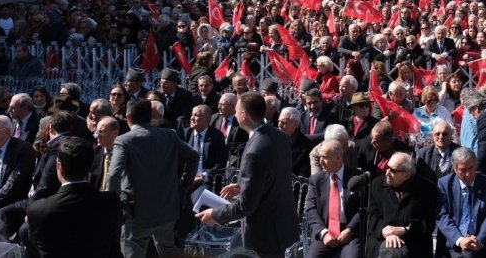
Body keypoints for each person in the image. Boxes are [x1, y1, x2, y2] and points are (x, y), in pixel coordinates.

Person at [196, 92, 299, 258]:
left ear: (243, 115)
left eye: (236, 110)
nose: (234, 113)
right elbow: (272, 177)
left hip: (265, 233)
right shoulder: (279, 136)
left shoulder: (255, 150)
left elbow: (245, 206)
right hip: (282, 224)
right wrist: (243, 187)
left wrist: (214, 215)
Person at [108, 99, 199, 258]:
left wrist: (116, 204)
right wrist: (183, 187)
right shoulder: (169, 136)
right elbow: (193, 157)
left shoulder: (124, 140)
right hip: (167, 210)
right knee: (169, 251)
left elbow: (114, 174)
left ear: (128, 118)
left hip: (137, 213)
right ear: (150, 117)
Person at [24, 137, 122, 258]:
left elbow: (34, 245)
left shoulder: (38, 210)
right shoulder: (111, 202)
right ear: (91, 165)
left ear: (59, 166)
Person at [365, 151, 437, 258]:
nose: (387, 173)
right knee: (390, 252)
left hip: (414, 241)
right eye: (387, 167)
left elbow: (429, 222)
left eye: (392, 171)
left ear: (406, 175)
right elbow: (373, 216)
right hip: (381, 239)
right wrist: (386, 231)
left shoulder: (426, 189)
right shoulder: (377, 185)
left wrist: (406, 230)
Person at [435, 147, 486, 257]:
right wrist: (460, 240)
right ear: (455, 169)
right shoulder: (444, 185)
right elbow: (442, 215)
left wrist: (480, 240)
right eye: (463, 170)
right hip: (453, 241)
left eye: (471, 168)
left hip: (478, 240)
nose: (468, 174)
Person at [304, 140, 362, 258]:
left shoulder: (356, 178)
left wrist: (350, 230)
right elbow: (311, 209)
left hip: (349, 232)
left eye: (325, 157)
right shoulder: (316, 180)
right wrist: (324, 233)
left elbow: (363, 207)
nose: (320, 162)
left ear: (338, 158)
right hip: (325, 231)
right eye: (320, 157)